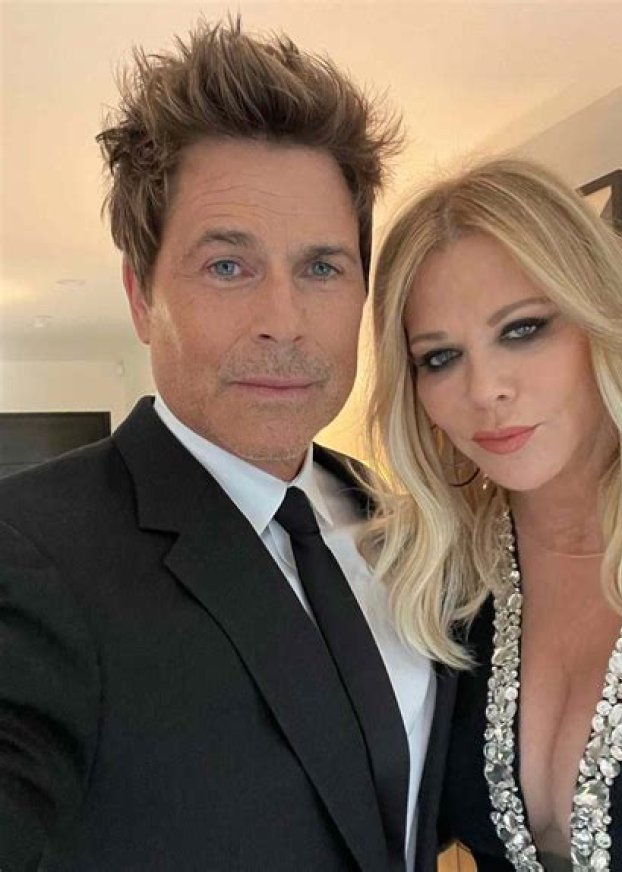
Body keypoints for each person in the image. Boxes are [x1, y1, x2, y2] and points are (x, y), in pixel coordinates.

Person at [0, 18, 453, 872]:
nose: (284, 321)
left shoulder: (399, 526)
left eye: (322, 267)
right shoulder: (25, 553)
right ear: (142, 297)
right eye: (228, 266)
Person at [362, 157, 622, 871]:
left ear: (602, 319)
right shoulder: (441, 586)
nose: (485, 390)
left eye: (522, 329)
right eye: (440, 358)